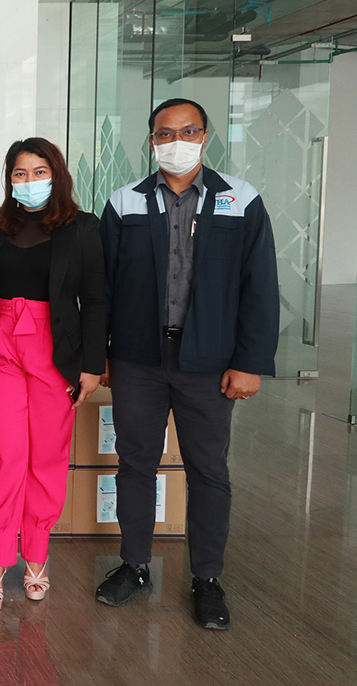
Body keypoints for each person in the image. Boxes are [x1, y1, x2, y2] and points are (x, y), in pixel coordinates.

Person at [95, 98, 278, 630]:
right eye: (164, 133)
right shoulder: (125, 202)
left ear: (205, 136)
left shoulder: (241, 201)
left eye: (188, 131)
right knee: (135, 465)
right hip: (138, 360)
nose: (176, 142)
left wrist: (250, 362)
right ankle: (134, 565)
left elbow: (260, 287)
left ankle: (207, 578)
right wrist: (99, 354)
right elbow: (102, 287)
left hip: (208, 361)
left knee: (208, 471)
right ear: (151, 141)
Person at [0, 138, 106, 612]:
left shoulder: (83, 228)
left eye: (39, 172)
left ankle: (37, 555)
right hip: (1, 348)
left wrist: (92, 365)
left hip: (55, 352)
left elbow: (96, 300)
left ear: (56, 175)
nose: (29, 181)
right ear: (9, 180)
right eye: (19, 174)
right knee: (5, 454)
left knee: (47, 457)